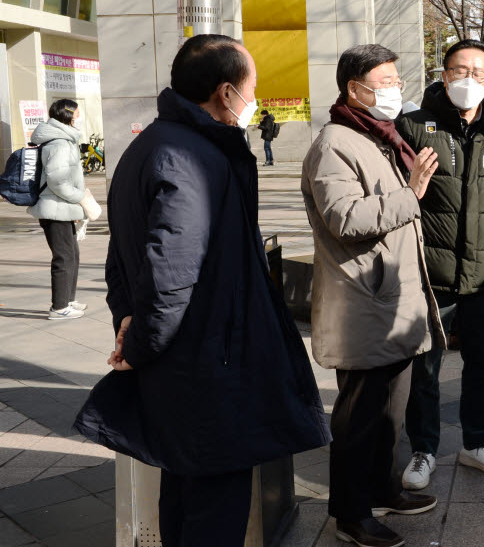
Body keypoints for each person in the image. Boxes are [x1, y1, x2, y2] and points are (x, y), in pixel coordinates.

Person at [74, 35, 331, 547]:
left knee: (185, 486)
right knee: (215, 502)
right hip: (210, 361)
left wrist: (127, 320)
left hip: (187, 359)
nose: (254, 100)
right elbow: (172, 274)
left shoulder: (150, 144)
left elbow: (121, 256)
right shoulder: (191, 158)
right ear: (226, 91)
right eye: (252, 88)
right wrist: (140, 342)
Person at [302, 44, 447, 547]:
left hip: (394, 299)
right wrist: (412, 193)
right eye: (382, 82)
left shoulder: (379, 136)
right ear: (353, 89)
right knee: (359, 418)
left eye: (396, 80)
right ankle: (350, 512)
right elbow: (345, 219)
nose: (393, 90)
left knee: (391, 411)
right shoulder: (335, 143)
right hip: (362, 300)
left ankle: (384, 490)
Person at [397, 38, 484, 489]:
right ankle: (423, 449)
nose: (469, 80)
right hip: (431, 273)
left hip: (483, 271)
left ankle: (476, 442)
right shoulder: (412, 126)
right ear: (444, 73)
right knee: (424, 367)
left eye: (479, 74)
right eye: (460, 70)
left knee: (481, 365)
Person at [27, 99, 89, 320]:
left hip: (62, 207)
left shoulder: (63, 139)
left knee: (72, 254)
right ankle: (59, 307)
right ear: (68, 115)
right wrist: (80, 198)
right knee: (64, 257)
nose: (79, 116)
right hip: (55, 207)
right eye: (77, 113)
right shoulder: (60, 143)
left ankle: (68, 300)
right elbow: (57, 181)